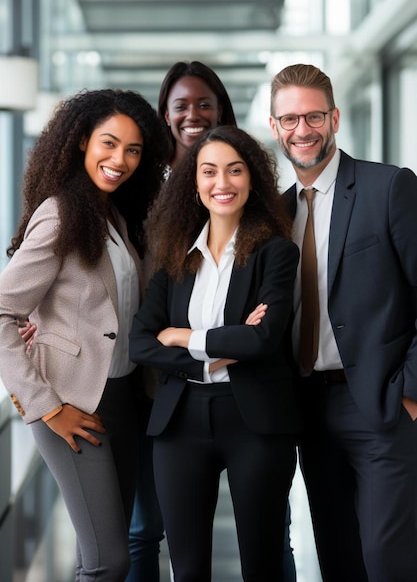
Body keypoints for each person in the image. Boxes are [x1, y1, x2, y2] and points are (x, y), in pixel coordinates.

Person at [0, 88, 167, 582]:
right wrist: (44, 404)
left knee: (97, 554)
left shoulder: (112, 214)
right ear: (80, 142)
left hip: (122, 394)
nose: (120, 160)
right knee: (108, 561)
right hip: (73, 402)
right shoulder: (60, 213)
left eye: (133, 150)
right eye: (109, 144)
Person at [129, 125, 302, 582]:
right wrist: (223, 347)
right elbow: (142, 342)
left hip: (256, 422)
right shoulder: (173, 255)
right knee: (185, 569)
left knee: (263, 562)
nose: (221, 183)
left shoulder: (276, 252)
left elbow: (262, 341)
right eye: (209, 172)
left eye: (234, 170)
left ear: (253, 179)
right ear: (194, 182)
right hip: (180, 420)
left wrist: (183, 336)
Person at [269, 63, 417, 582]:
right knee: (338, 557)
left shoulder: (389, 187)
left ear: (334, 118)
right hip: (309, 409)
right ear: (274, 127)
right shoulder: (276, 215)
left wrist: (410, 391)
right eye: (289, 119)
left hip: (380, 404)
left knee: (388, 560)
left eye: (313, 116)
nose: (302, 130)